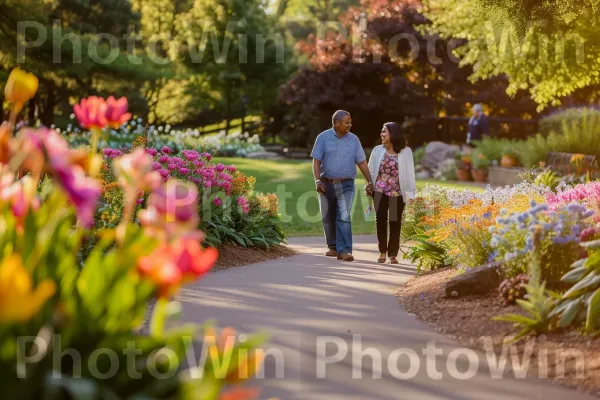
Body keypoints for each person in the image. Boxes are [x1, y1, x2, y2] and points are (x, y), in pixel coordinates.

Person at [311, 110, 374, 262]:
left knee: (344, 216)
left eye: (350, 122)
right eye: (347, 122)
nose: (350, 125)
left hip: (346, 184)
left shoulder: (354, 140)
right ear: (337, 123)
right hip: (326, 184)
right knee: (328, 217)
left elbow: (362, 162)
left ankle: (344, 250)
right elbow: (316, 161)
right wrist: (317, 180)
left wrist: (369, 181)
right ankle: (333, 247)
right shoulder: (323, 137)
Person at [365, 122, 416, 264]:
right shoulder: (377, 150)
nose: (381, 134)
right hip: (379, 191)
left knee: (395, 222)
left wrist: (411, 194)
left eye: (384, 132)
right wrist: (369, 184)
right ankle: (382, 251)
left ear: (393, 134)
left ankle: (392, 254)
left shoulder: (406, 152)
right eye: (382, 132)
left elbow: (411, 174)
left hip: (397, 192)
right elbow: (370, 170)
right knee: (380, 219)